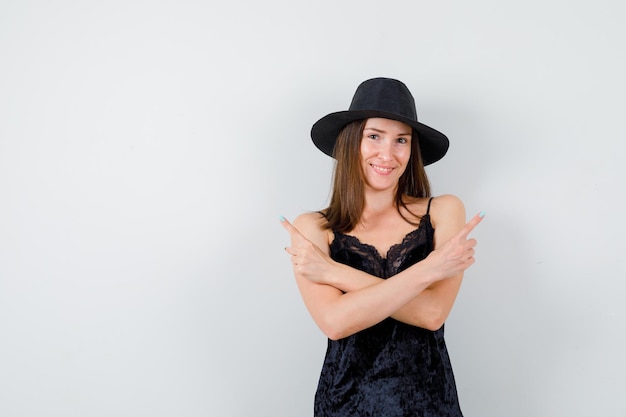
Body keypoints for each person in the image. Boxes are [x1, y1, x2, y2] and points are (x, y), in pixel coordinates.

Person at [280, 77, 483, 417]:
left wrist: (334, 272)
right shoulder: (312, 227)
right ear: (350, 142)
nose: (387, 154)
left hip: (430, 404)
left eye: (401, 140)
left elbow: (433, 314)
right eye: (374, 136)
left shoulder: (444, 210)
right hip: (344, 404)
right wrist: (429, 269)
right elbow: (335, 322)